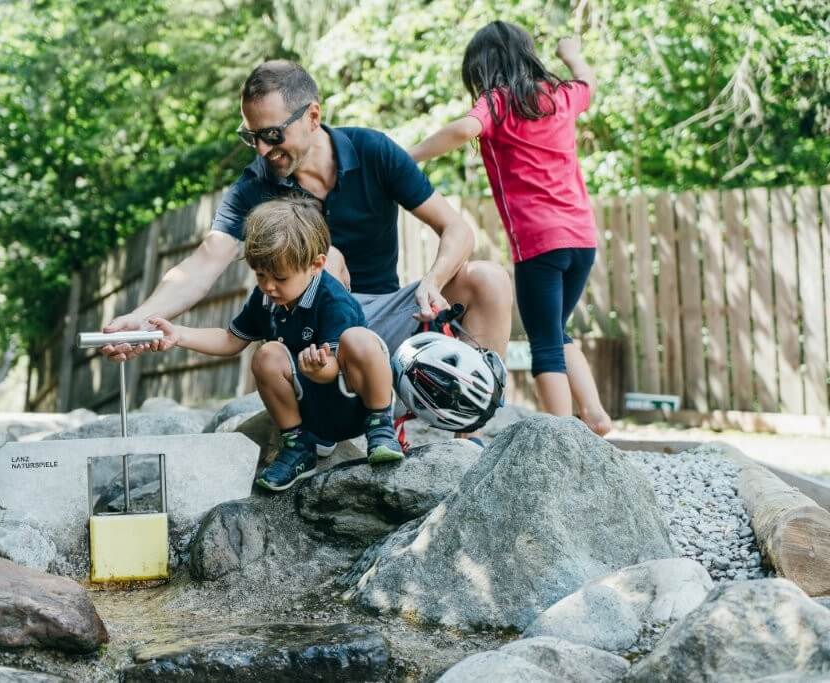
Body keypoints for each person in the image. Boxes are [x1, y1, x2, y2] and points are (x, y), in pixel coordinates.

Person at [101, 59, 513, 443]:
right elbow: (205, 261)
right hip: (316, 348)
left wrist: (433, 281)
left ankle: (471, 434)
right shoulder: (254, 186)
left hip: (387, 320)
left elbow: (456, 229)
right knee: (328, 259)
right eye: (252, 137)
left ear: (312, 116)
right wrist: (138, 321)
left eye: (272, 135)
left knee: (489, 279)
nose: (262, 149)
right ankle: (334, 419)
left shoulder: (373, 151)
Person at [408, 23, 612, 436]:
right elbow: (587, 82)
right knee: (557, 329)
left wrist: (407, 157)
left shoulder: (498, 104)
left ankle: (561, 437)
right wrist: (571, 53)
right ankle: (595, 415)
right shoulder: (560, 96)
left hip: (540, 244)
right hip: (582, 240)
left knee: (545, 344)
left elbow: (466, 128)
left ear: (483, 69)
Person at [145, 196, 403, 492]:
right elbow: (231, 340)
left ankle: (380, 425)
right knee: (266, 354)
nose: (269, 286)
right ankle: (299, 446)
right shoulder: (266, 298)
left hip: (352, 404)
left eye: (280, 277)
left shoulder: (332, 299)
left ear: (316, 265)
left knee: (358, 339)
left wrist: (319, 369)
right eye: (260, 275)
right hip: (312, 414)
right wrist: (179, 335)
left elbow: (333, 369)